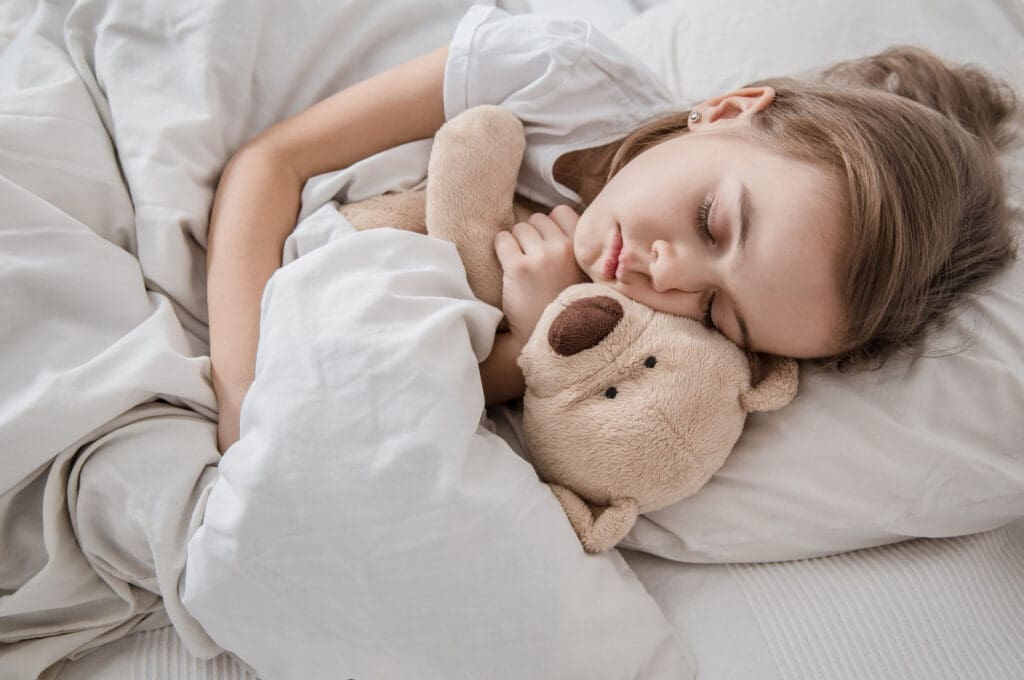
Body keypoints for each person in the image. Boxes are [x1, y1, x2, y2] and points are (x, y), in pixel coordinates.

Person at [206, 8, 1018, 453]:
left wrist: (530, 339)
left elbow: (451, 376)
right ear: (729, 110)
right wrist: (242, 392)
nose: (666, 279)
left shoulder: (646, 330)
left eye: (717, 313)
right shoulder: (551, 74)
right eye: (712, 221)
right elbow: (271, 162)